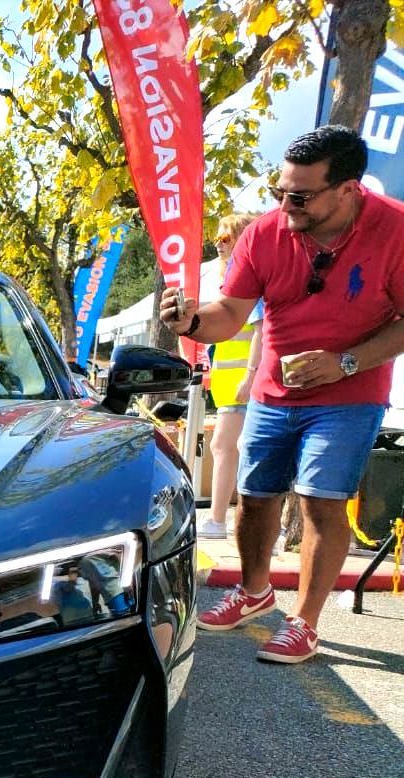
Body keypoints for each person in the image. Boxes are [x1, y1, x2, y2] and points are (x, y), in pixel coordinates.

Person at [160, 125, 404, 664]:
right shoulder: (264, 234)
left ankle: (305, 623)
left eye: (300, 196)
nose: (285, 205)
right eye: (280, 192)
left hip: (351, 392)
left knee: (321, 500)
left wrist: (345, 361)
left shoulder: (396, 229)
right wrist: (192, 321)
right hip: (274, 391)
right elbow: (229, 313)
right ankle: (255, 593)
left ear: (348, 189)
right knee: (254, 497)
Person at [197, 213, 263, 540]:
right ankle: (224, 520)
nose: (218, 245)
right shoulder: (229, 282)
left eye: (225, 239)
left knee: (231, 447)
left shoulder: (250, 284)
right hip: (230, 383)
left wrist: (250, 377)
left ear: (243, 240)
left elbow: (262, 331)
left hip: (245, 383)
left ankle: (224, 520)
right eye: (217, 239)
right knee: (228, 447)